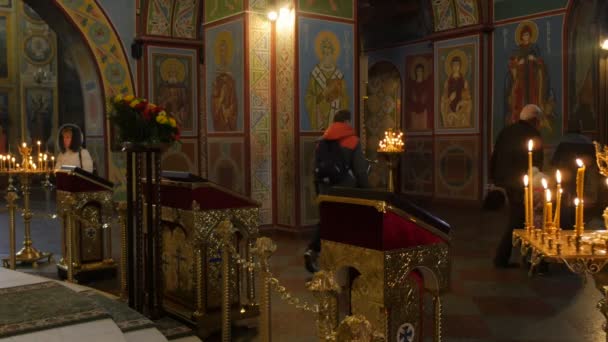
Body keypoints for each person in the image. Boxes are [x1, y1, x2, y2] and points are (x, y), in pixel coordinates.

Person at [304, 109, 370, 273]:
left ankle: (312, 249)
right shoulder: (352, 140)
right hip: (345, 189)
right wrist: (367, 190)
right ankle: (350, 259)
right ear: (347, 121)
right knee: (351, 220)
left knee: (326, 220)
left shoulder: (322, 140)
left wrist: (318, 190)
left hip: (324, 187)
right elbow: (360, 170)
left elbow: (316, 168)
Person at [490, 104, 543, 268]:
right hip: (524, 183)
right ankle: (506, 259)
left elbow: (495, 155)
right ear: (534, 120)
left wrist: (495, 179)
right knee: (519, 219)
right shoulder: (533, 134)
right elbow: (537, 163)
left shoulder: (506, 131)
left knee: (519, 219)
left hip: (507, 182)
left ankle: (524, 258)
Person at [550, 118, 595, 230]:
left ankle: (565, 228)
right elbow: (594, 164)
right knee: (580, 203)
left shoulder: (562, 142)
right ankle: (579, 225)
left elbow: (554, 162)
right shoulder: (588, 142)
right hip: (583, 179)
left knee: (564, 205)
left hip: (565, 178)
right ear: (580, 128)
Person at [304, 31, 348, 131]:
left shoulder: (339, 75)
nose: (327, 55)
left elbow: (345, 98)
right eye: (325, 53)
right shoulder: (315, 74)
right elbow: (308, 97)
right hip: (319, 117)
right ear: (321, 54)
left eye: (329, 52)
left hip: (335, 112)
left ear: (333, 53)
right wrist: (321, 96)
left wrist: (338, 98)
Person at [440, 54, 472, 128]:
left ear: (460, 66)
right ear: (451, 66)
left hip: (461, 110)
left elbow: (468, 99)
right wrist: (449, 99)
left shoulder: (464, 81)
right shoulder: (447, 82)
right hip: (450, 110)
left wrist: (461, 103)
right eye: (454, 65)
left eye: (457, 64)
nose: (456, 67)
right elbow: (443, 100)